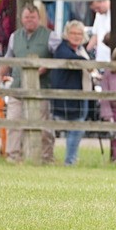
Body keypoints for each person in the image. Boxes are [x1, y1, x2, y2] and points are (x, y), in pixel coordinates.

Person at [0, 4, 57, 164]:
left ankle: (46, 158)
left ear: (39, 18)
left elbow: (58, 57)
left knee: (43, 126)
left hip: (41, 89)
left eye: (33, 17)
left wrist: (45, 66)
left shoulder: (50, 36)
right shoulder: (14, 37)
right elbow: (8, 58)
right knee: (13, 123)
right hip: (17, 87)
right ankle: (13, 157)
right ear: (21, 19)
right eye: (26, 17)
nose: (29, 20)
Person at [51, 20, 92, 166]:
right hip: (68, 96)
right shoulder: (63, 48)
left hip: (81, 94)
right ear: (66, 34)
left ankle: (71, 158)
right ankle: (69, 160)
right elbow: (73, 59)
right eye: (73, 33)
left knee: (78, 127)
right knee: (75, 127)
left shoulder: (81, 49)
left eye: (79, 33)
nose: (76, 36)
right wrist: (88, 64)